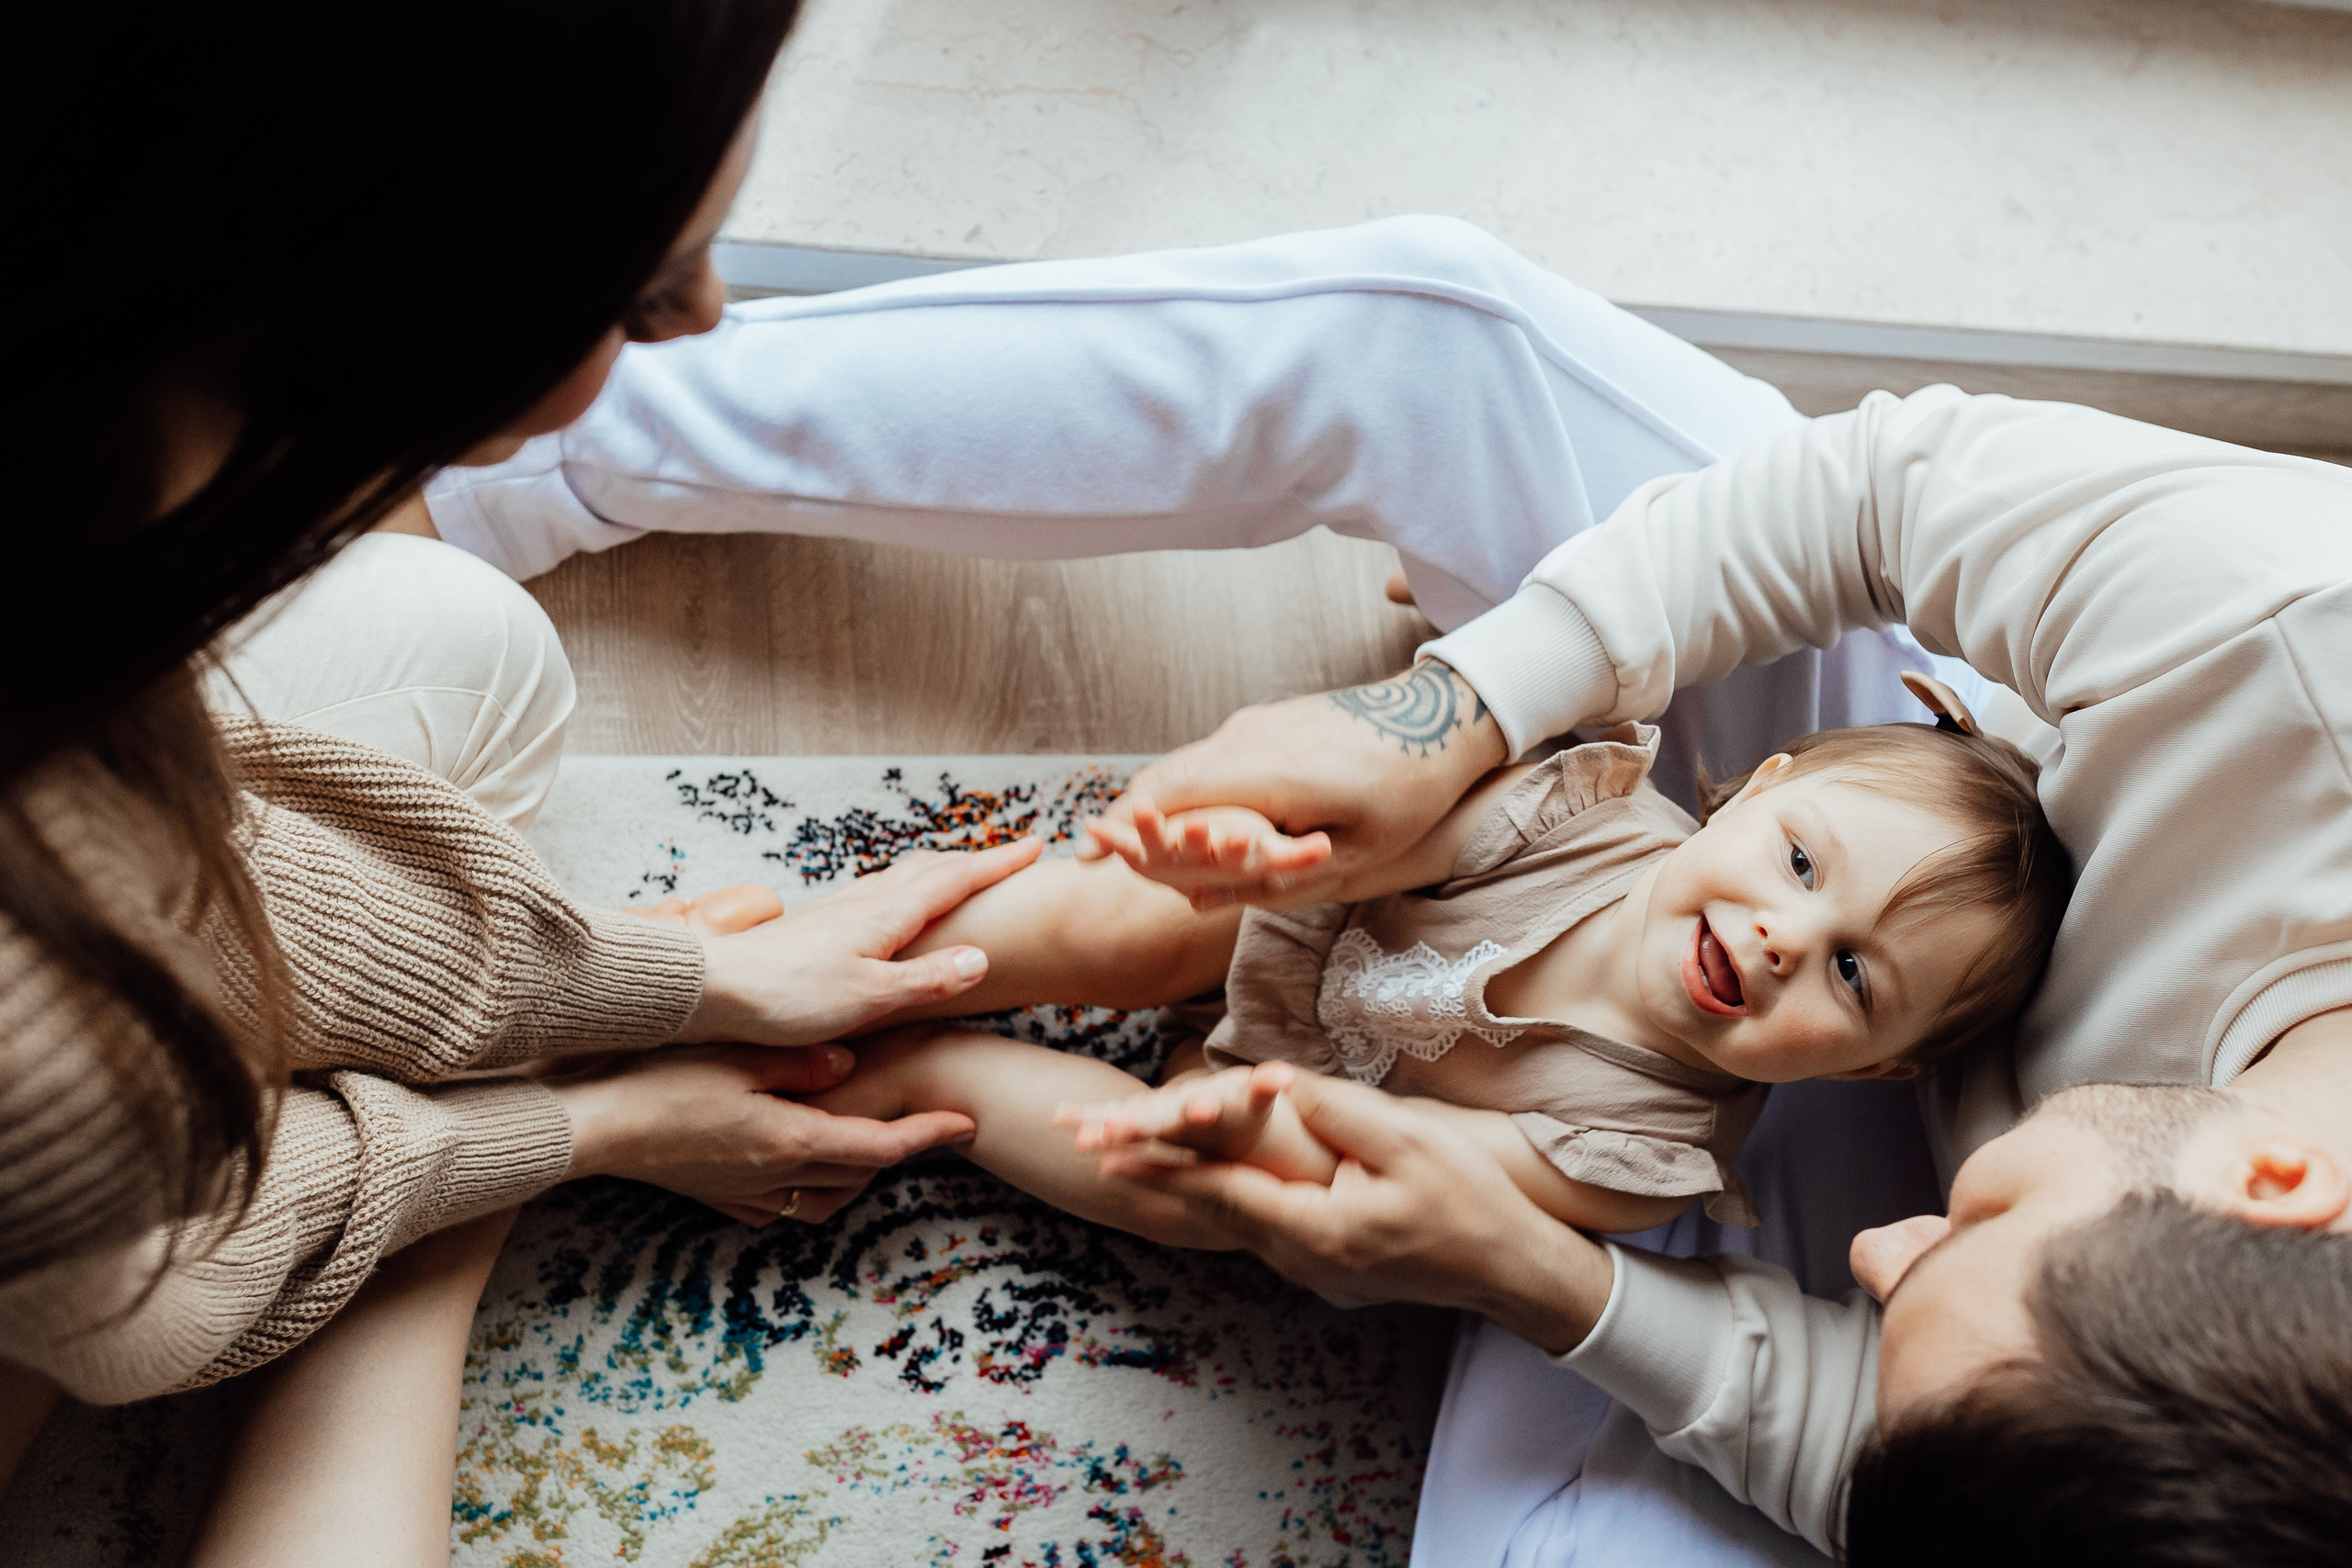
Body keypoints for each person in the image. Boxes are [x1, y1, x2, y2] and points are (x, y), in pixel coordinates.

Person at [417, 215, 2352, 1561]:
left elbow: (1896, 1451)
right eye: (1957, 1236)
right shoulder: (2293, 640)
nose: (1872, 1250)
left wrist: (1537, 1266)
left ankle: (841, 1058)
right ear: (2281, 1188)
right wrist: (1457, 712)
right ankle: (487, 456)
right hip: (1957, 810)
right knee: (1439, 333)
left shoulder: (2094, 1389)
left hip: (1801, 1071)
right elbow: (1867, 494)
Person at [0, 2, 1043, 1558]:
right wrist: (550, 1137)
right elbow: (159, 1294)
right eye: (634, 289)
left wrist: (663, 980)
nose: (703, 320)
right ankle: (406, 1275)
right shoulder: (42, 1036)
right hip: (91, 1197)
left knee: (449, 638)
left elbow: (200, 876)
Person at [791, 690, 2064, 1257]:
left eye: (1853, 973)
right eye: (1799, 861)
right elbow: (1387, 845)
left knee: (1203, 1197)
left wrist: (1261, 1122)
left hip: (1317, 1109)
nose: (1788, 936)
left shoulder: (1644, 1156)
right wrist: (1250, 859)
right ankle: (872, 960)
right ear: (1760, 789)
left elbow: (1410, 1170)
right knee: (1139, 922)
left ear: (1881, 1065)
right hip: (1292, 930)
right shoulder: (1599, 819)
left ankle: (930, 1072)